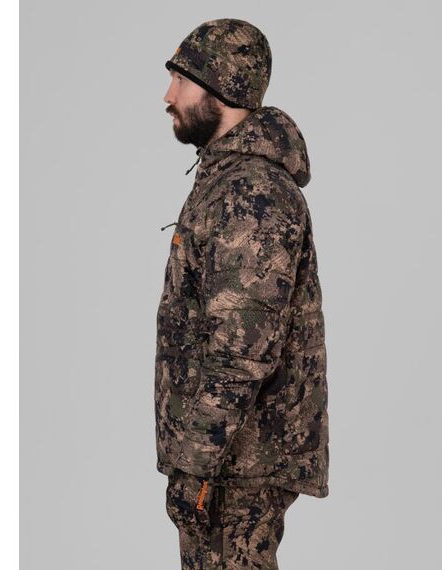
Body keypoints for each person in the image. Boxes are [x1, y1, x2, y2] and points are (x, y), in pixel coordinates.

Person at [155, 18, 329, 569]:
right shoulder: (226, 182)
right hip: (227, 460)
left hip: (237, 465)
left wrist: (196, 464)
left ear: (221, 89)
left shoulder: (251, 193)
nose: (167, 97)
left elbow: (241, 351)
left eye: (181, 80)